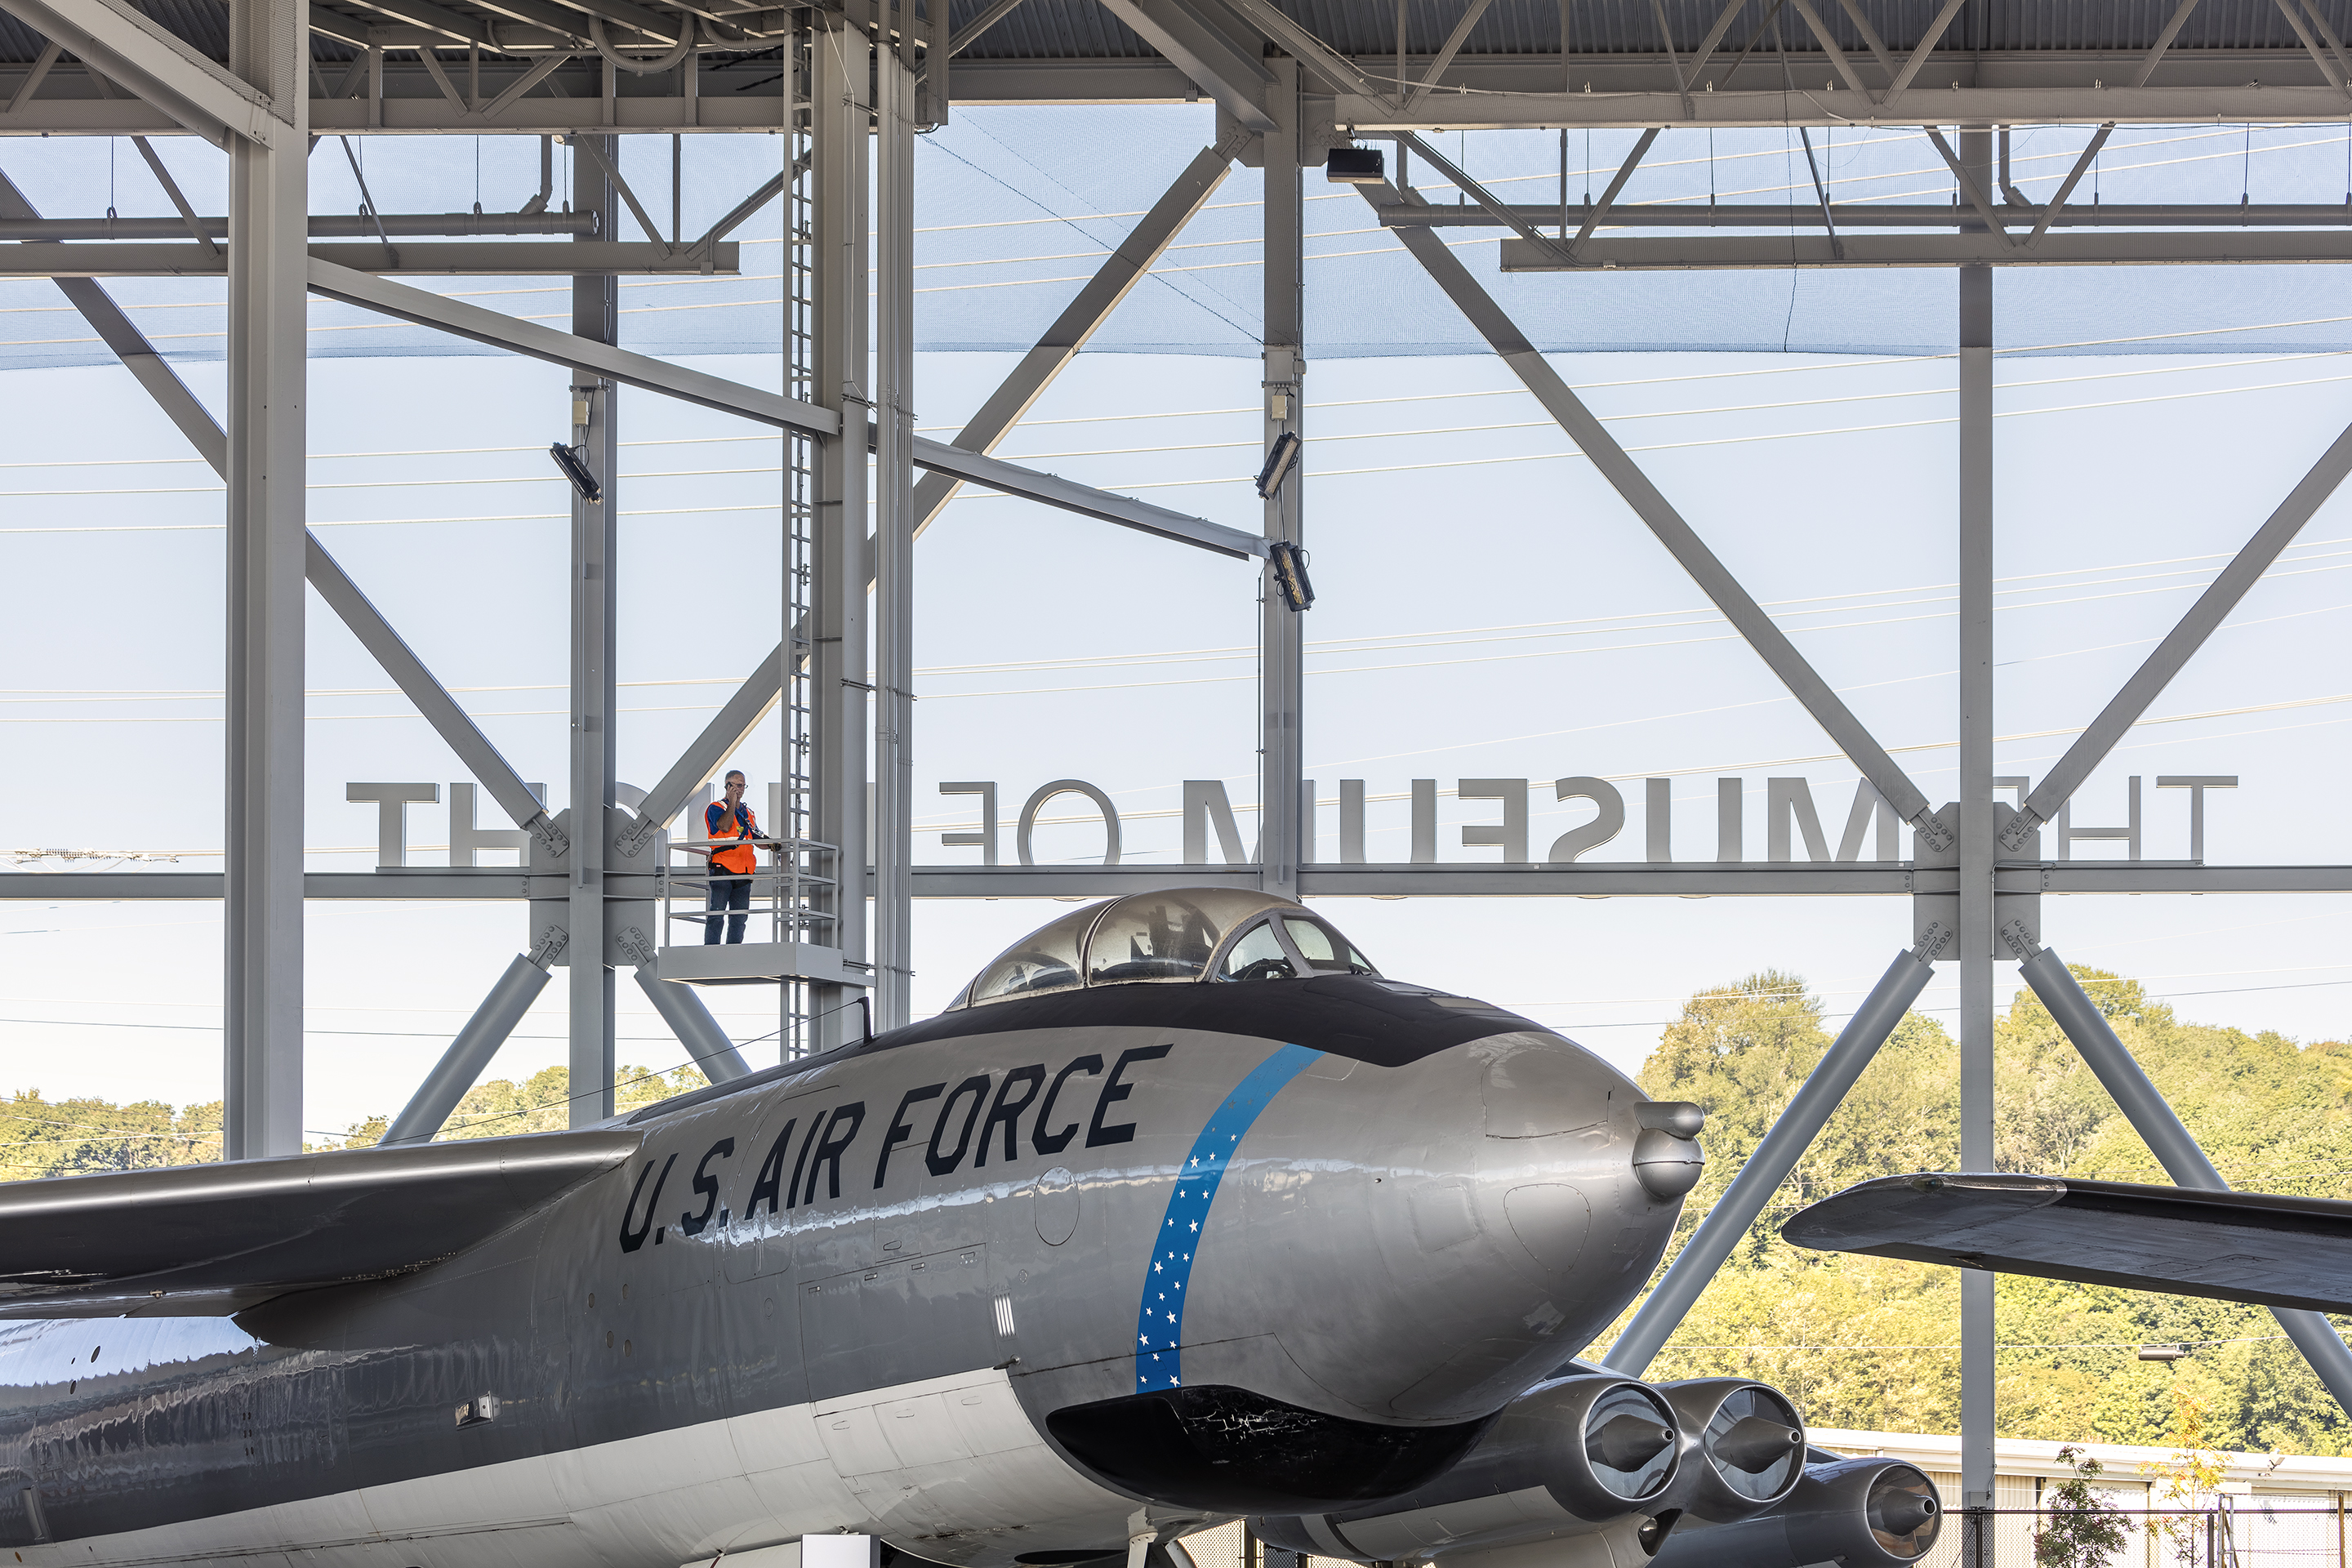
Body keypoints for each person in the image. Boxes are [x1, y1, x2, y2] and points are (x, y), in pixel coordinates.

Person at [703, 770, 760, 944]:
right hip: (723, 869)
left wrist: (775, 845)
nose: (740, 789)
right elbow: (725, 826)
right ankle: (711, 949)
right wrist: (732, 803)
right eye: (736, 785)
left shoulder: (748, 813)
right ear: (727, 786)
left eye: (742, 785)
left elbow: (756, 837)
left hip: (744, 872)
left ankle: (734, 950)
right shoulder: (716, 808)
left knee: (739, 918)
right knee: (717, 914)